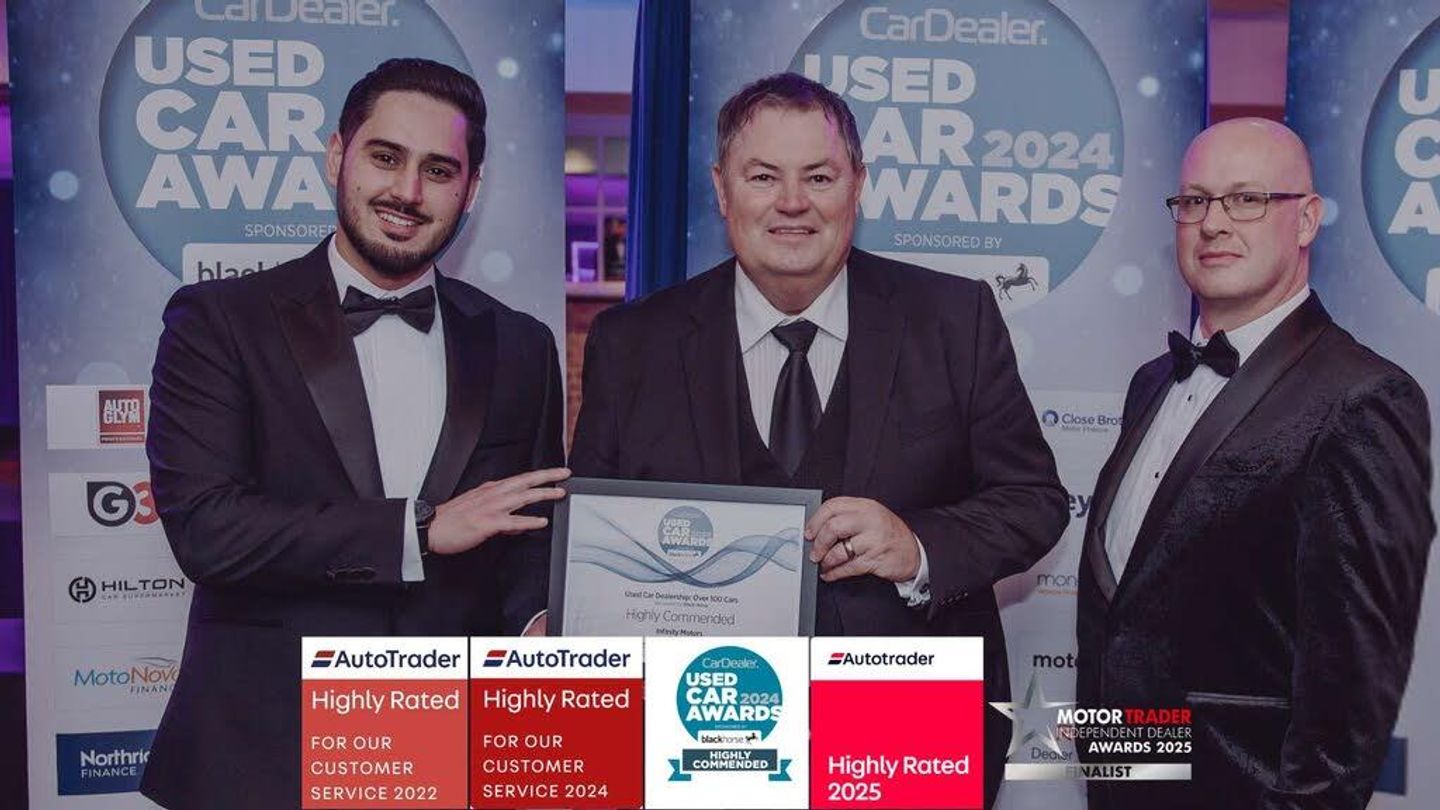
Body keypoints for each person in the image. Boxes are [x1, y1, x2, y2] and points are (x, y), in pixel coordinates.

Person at [569, 72, 1069, 808]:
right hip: (701, 726)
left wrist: (918, 546)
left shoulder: (954, 319)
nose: (792, 202)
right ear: (722, 188)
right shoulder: (631, 342)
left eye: (819, 176)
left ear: (858, 185)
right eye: (763, 176)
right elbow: (591, 528)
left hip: (911, 726)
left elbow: (1034, 501)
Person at [140, 58, 568, 809]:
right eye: (385, 157)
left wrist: (538, 625)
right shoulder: (219, 322)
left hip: (451, 746)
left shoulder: (521, 344)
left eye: (439, 170)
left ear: (471, 190)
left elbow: (531, 535)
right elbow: (207, 530)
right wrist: (418, 531)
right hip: (265, 752)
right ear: (337, 155)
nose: (408, 192)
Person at [1076, 118, 1433, 809]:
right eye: (1195, 201)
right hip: (1123, 783)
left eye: (1246, 199)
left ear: (1307, 220)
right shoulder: (1151, 383)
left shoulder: (1362, 397)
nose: (1213, 223)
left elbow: (1353, 683)